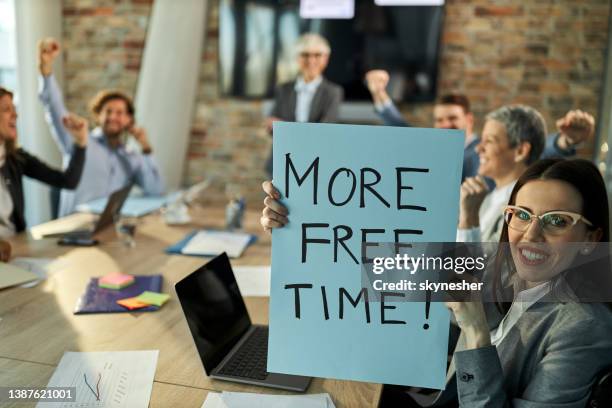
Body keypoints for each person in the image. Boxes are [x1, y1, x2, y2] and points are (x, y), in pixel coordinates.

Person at [260, 158, 612, 406]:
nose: (530, 234)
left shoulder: (582, 328)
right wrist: (295, 224)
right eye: (521, 215)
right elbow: (372, 269)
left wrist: (475, 336)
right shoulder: (503, 269)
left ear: (592, 239)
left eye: (557, 221)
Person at [365, 69, 594, 181]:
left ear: (469, 120)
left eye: (452, 118)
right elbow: (400, 127)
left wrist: (567, 140)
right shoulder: (431, 149)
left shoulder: (489, 149)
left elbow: (536, 149)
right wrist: (379, 93)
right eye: (439, 120)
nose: (445, 125)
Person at [38, 38, 164, 217]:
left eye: (120, 113)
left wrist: (146, 147)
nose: (113, 117)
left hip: (109, 232)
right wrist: (46, 69)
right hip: (74, 231)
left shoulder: (131, 157)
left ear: (129, 120)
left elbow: (155, 190)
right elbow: (54, 107)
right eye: (108, 111)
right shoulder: (80, 142)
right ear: (98, 115)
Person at [0, 86, 87, 237]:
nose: (15, 114)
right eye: (6, 109)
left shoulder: (16, 158)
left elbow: (68, 181)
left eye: (14, 108)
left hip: (15, 249)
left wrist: (81, 142)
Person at [457, 105, 545, 243]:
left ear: (520, 151)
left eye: (489, 141)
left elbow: (487, 264)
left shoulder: (525, 211)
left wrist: (469, 218)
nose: (478, 148)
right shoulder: (485, 199)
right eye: (482, 140)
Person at [265, 33, 344, 176]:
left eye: (317, 55)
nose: (311, 60)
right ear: (297, 58)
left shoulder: (333, 92)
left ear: (325, 59)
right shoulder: (283, 89)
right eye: (305, 55)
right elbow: (272, 127)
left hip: (315, 162)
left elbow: (325, 131)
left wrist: (285, 127)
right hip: (281, 161)